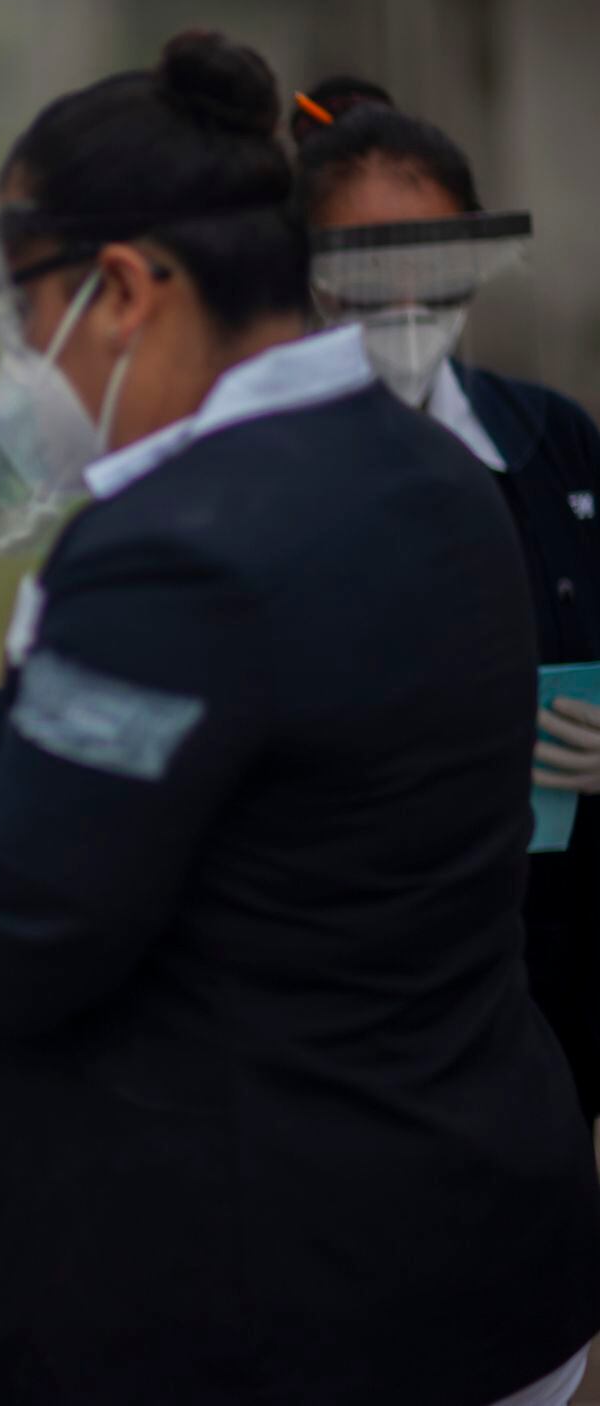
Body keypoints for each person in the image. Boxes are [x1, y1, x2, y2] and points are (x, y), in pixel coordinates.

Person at [0, 31, 600, 1406]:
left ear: (123, 287)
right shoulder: (432, 468)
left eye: (19, 316)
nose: (16, 370)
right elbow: (224, 766)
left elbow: (25, 931)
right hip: (474, 1249)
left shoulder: (168, 541)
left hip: (265, 1301)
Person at [293, 76, 600, 1126]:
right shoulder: (250, 466)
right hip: (349, 965)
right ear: (304, 270)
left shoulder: (553, 441)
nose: (406, 298)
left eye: (433, 256)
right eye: (364, 262)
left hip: (557, 955)